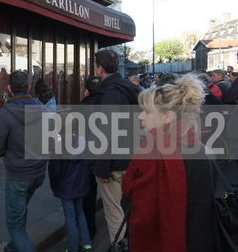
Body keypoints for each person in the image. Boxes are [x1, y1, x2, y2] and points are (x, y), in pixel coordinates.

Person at [122, 74, 217, 252]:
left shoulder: (153, 153)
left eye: (147, 111)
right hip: (200, 241)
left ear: (168, 117)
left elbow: (142, 214)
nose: (140, 116)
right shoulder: (199, 147)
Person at [0, 70, 48, 252]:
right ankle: (14, 247)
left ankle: (18, 244)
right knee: (20, 213)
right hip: (39, 173)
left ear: (9, 89)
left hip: (19, 176)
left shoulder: (5, 115)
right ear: (29, 87)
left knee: (14, 224)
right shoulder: (43, 110)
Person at [93, 50, 139, 243]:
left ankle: (121, 247)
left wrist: (102, 168)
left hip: (114, 163)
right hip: (131, 156)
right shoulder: (130, 88)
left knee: (114, 213)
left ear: (100, 68)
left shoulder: (110, 93)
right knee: (130, 208)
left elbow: (107, 131)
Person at [48, 157, 93, 252]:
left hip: (66, 187)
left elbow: (54, 170)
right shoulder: (83, 143)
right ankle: (87, 243)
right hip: (81, 184)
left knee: (70, 217)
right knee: (80, 213)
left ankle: (73, 247)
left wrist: (55, 186)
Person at [80, 76, 101, 239]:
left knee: (86, 195)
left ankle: (88, 228)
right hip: (102, 154)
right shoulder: (106, 104)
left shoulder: (82, 107)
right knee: (93, 192)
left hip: (85, 154)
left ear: (86, 90)